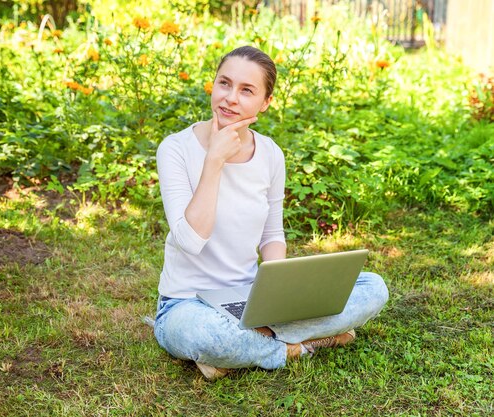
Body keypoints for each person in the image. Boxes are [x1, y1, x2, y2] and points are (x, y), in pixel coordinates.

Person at [153, 46, 389, 379]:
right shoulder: (175, 149)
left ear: (266, 102)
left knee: (373, 287)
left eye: (246, 90)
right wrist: (214, 161)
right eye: (224, 83)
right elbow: (191, 241)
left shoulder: (270, 154)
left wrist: (281, 295)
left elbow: (272, 235)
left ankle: (245, 348)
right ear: (214, 85)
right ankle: (301, 345)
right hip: (187, 305)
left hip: (251, 300)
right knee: (207, 335)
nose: (230, 98)